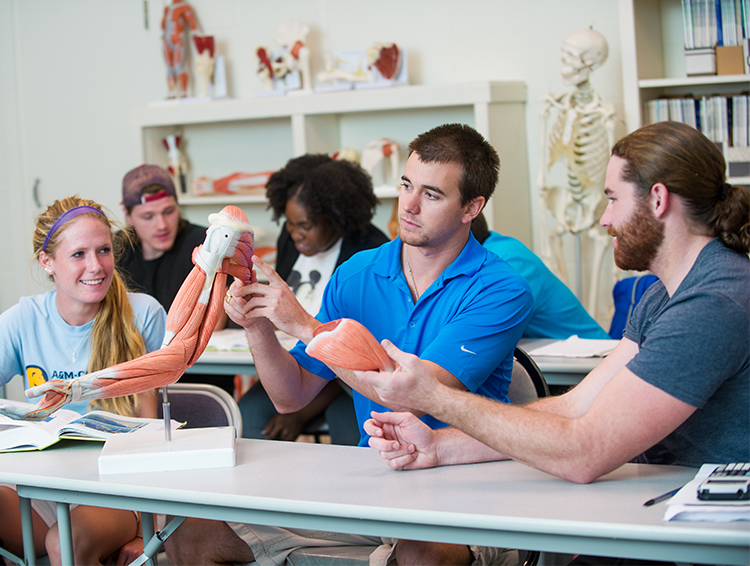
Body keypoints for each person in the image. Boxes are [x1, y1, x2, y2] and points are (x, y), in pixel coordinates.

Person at [164, 123, 533, 566]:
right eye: (406, 185)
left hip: (464, 485)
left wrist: (303, 326)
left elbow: (414, 399)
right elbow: (291, 396)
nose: (409, 206)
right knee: (193, 536)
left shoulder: (501, 289)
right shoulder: (358, 273)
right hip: (374, 481)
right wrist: (258, 323)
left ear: (472, 206)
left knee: (421, 555)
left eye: (432, 195)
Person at [355, 121, 749, 488]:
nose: (604, 219)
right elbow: (577, 405)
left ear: (658, 199)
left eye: (613, 199)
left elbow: (585, 451)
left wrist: (434, 397)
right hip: (657, 502)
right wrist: (439, 446)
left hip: (700, 528)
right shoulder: (663, 292)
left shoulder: (713, 302)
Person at [0, 196, 167, 565]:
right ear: (48, 263)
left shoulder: (143, 315)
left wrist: (151, 532)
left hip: (119, 493)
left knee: (66, 544)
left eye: (104, 250)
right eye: (78, 254)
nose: (96, 266)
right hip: (45, 488)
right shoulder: (22, 318)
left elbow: (153, 431)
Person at [239, 154, 389, 445]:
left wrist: (301, 412)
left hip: (345, 381)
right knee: (249, 416)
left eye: (305, 225)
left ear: (335, 218)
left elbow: (360, 356)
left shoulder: (368, 254)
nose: (295, 234)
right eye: (290, 224)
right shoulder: (291, 238)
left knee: (351, 427)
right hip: (294, 363)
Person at [117, 163, 235, 395]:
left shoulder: (206, 243)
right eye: (148, 216)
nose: (161, 225)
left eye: (168, 212)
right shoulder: (115, 250)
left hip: (201, 379)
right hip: (136, 378)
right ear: (127, 215)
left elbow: (215, 321)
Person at [471, 212, 609, 340]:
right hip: (553, 357)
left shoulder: (505, 260)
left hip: (592, 357)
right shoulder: (489, 252)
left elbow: (482, 328)